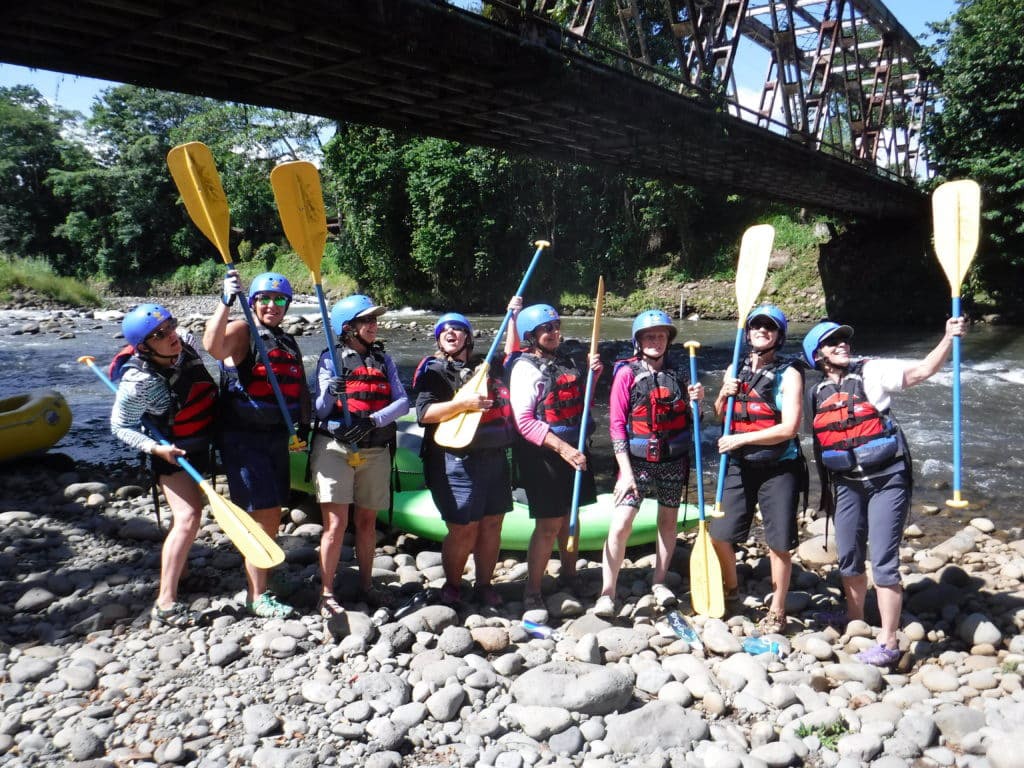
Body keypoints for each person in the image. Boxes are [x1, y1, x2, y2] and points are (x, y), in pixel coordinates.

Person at [803, 316, 967, 666]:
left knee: (884, 564)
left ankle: (889, 642)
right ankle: (854, 616)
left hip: (886, 479)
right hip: (846, 484)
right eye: (832, 342)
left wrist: (948, 339)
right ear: (818, 356)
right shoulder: (816, 392)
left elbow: (921, 372)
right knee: (847, 555)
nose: (842, 345)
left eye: (843, 340)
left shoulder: (872, 371)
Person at [204, 271, 309, 619]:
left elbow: (300, 390)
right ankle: (257, 595)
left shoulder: (286, 342)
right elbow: (213, 347)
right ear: (253, 303)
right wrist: (225, 301)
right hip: (244, 438)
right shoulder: (242, 331)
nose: (271, 306)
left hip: (276, 436)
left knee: (272, 514)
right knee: (259, 516)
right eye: (263, 299)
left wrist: (303, 429)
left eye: (279, 300)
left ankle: (265, 576)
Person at [111, 303, 218, 627]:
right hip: (172, 452)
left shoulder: (184, 340)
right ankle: (166, 602)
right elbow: (120, 426)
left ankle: (182, 573)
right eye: (160, 334)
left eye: (170, 325)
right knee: (188, 518)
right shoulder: (137, 382)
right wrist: (156, 449)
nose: (171, 335)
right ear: (144, 346)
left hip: (201, 443)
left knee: (186, 516)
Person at [413, 298, 522, 609]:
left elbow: (512, 353)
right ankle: (453, 584)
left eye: (458, 329)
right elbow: (425, 414)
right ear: (438, 339)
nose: (451, 332)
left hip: (494, 457)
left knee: (492, 524)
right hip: (454, 460)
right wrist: (463, 404)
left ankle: (484, 584)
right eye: (444, 329)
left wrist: (511, 317)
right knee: (463, 527)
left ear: (468, 338)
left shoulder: (486, 365)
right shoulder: (434, 371)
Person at [597, 310, 704, 617]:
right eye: (649, 336)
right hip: (638, 463)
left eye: (660, 336)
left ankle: (659, 582)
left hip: (674, 460)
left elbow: (694, 421)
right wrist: (625, 473)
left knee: (668, 523)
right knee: (620, 526)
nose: (656, 341)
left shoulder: (682, 374)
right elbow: (617, 425)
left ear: (668, 340)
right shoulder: (626, 373)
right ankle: (608, 592)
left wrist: (698, 401)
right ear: (638, 341)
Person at [311, 294, 409, 619]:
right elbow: (321, 409)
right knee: (336, 523)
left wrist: (372, 421)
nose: (373, 325)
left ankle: (367, 586)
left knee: (366, 522)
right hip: (336, 447)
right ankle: (326, 594)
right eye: (365, 321)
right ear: (347, 328)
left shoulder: (385, 361)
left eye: (374, 320)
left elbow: (402, 402)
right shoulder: (330, 359)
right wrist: (331, 390)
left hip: (373, 446)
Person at [710, 304, 804, 634]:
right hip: (739, 465)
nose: (762, 330)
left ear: (779, 335)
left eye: (770, 327)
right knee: (719, 535)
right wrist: (724, 393)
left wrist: (738, 440)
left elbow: (789, 428)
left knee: (778, 543)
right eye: (757, 326)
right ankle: (733, 591)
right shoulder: (734, 368)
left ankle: (777, 609)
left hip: (779, 467)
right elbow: (721, 415)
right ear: (748, 332)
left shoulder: (790, 373)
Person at [507, 303, 601, 613]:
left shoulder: (566, 361)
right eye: (547, 329)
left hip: (573, 448)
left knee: (571, 520)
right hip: (543, 454)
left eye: (556, 327)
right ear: (531, 336)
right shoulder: (524, 368)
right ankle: (532, 589)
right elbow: (524, 421)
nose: (554, 333)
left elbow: (581, 405)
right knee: (549, 524)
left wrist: (595, 377)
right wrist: (563, 449)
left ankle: (569, 576)